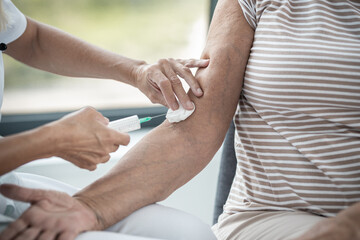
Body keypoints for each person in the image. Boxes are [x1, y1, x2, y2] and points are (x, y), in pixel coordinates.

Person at [1, 0, 360, 239]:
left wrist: (137, 70)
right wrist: (54, 145)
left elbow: (28, 38)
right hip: (272, 216)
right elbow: (194, 129)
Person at [0, 0, 214, 239]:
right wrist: (52, 140)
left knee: (194, 233)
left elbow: (32, 40)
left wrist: (137, 71)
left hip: (6, 184)